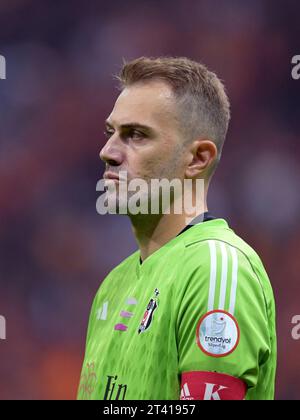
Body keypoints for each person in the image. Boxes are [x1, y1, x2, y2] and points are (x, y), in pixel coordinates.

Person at [77, 57, 277, 400]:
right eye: (112, 133)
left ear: (198, 158)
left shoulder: (215, 268)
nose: (107, 152)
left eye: (136, 135)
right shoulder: (112, 287)